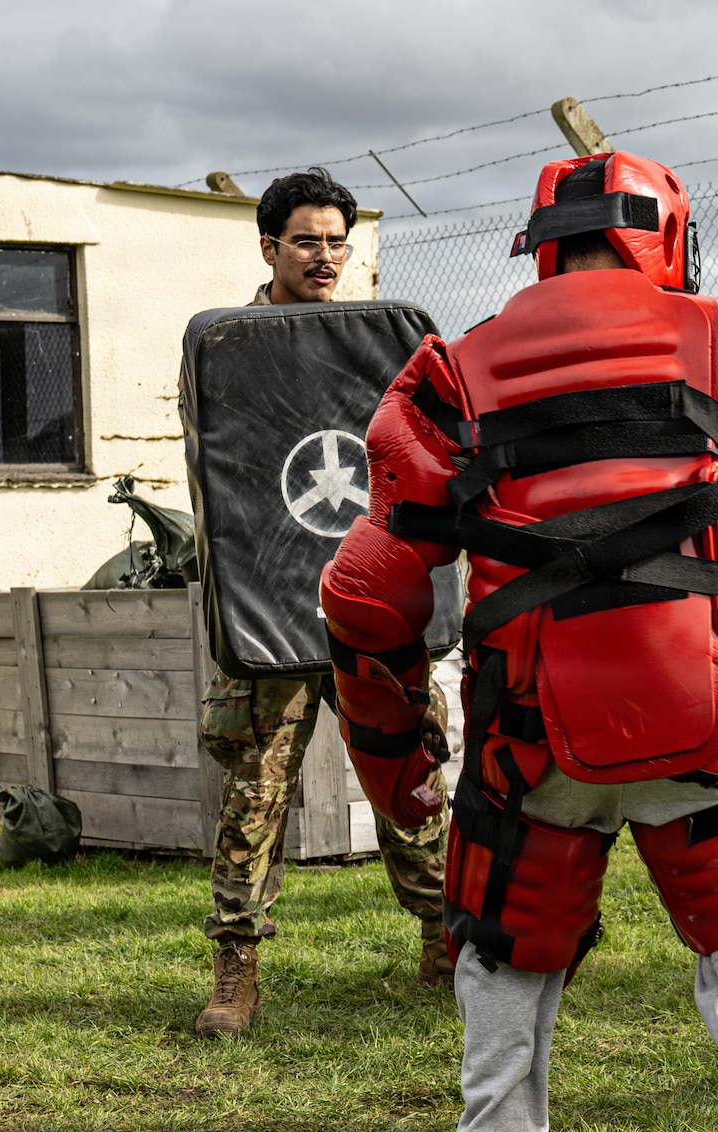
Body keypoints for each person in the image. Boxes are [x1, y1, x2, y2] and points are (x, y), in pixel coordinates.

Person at [322, 150, 718, 1132]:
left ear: (541, 244)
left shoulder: (451, 374)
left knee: (508, 952)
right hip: (710, 715)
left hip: (532, 737)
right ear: (669, 237)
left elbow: (366, 593)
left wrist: (396, 764)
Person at [193, 168, 452, 1040]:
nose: (327, 257)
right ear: (269, 247)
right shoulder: (234, 350)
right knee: (255, 790)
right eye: (308, 240)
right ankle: (237, 961)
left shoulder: (382, 349)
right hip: (275, 602)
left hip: (369, 602)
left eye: (340, 241)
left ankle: (442, 935)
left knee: (406, 768)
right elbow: (231, 481)